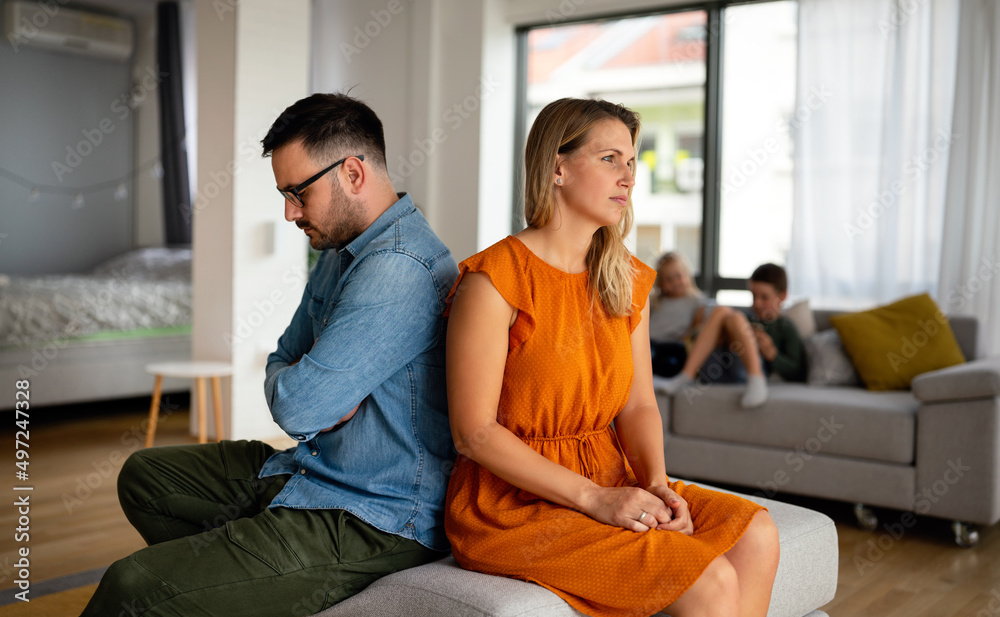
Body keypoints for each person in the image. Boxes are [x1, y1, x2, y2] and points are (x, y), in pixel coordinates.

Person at [80, 93, 459, 616]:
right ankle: (231, 587)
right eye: (285, 194)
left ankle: (216, 584)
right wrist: (307, 386)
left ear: (353, 173)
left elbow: (299, 408)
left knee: (132, 585)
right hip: (314, 469)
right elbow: (284, 361)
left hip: (372, 516)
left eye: (298, 192)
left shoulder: (398, 268)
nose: (289, 213)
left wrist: (308, 390)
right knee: (147, 477)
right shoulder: (342, 249)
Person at [444, 98, 779, 617]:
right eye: (609, 159)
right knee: (708, 580)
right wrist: (596, 500)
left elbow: (639, 405)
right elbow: (474, 433)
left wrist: (658, 488)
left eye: (630, 161)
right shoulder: (494, 280)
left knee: (757, 532)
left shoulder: (624, 277)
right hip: (514, 504)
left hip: (609, 473)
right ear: (557, 167)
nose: (628, 177)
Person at [650, 251, 769, 408]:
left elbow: (703, 321)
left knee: (724, 312)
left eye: (679, 276)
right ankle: (756, 376)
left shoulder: (697, 302)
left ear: (688, 275)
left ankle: (687, 375)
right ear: (661, 283)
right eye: (668, 279)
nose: (675, 282)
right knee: (725, 313)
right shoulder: (654, 302)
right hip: (653, 347)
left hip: (680, 350)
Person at [747, 262, 807, 382]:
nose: (756, 304)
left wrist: (772, 354)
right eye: (753, 296)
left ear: (782, 296)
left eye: (764, 297)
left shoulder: (786, 327)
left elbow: (798, 371)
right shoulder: (746, 320)